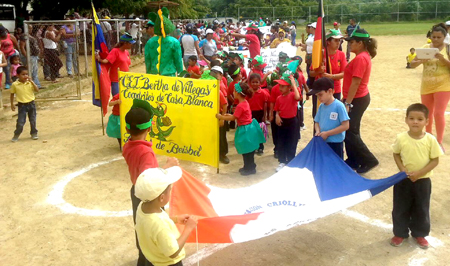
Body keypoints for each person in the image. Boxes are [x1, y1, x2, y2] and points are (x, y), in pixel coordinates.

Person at [122, 98, 180, 266]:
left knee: (142, 229)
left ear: (127, 128)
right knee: (153, 229)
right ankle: (150, 259)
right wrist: (168, 168)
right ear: (149, 127)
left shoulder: (129, 144)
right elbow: (150, 179)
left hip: (136, 191)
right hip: (149, 195)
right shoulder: (146, 152)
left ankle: (143, 257)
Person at [390, 103, 443, 249]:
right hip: (403, 180)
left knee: (421, 208)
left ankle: (419, 233)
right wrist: (402, 170)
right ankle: (400, 233)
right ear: (406, 119)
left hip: (423, 181)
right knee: (400, 207)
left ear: (426, 121)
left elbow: (435, 160)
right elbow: (396, 153)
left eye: (420, 119)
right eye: (412, 118)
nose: (415, 122)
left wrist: (419, 173)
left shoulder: (430, 140)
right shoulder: (401, 138)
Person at [135, 167, 198, 266]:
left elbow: (153, 227)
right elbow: (173, 252)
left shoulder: (142, 206)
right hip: (168, 264)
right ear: (162, 198)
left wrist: (176, 219)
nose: (171, 192)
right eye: (170, 190)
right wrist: (188, 228)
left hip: (152, 259)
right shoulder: (160, 225)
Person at [342, 28, 379, 174]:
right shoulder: (362, 56)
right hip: (354, 98)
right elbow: (349, 76)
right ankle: (353, 159)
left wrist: (347, 103)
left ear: (361, 43)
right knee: (351, 130)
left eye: (352, 42)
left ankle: (369, 160)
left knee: (350, 131)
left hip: (356, 99)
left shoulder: (360, 58)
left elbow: (356, 83)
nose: (349, 44)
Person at [410, 23, 450, 152]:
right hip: (427, 85)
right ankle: (427, 138)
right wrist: (421, 60)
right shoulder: (426, 48)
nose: (436, 39)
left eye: (439, 37)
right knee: (427, 113)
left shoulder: (448, 49)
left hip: (443, 85)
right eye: (434, 37)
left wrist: (444, 60)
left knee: (439, 113)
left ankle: (438, 142)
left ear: (444, 37)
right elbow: (412, 64)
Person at [216, 82, 265, 175]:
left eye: (234, 91)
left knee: (247, 151)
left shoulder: (240, 106)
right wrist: (227, 115)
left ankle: (250, 169)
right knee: (248, 150)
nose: (233, 93)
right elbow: (236, 115)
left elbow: (233, 118)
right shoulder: (244, 103)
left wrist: (221, 117)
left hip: (245, 130)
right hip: (249, 129)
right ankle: (249, 166)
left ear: (238, 93)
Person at [309, 77, 350, 158]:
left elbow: (346, 125)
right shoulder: (321, 106)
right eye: (317, 96)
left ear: (330, 91)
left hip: (336, 144)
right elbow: (316, 121)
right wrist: (317, 131)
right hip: (323, 142)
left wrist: (327, 133)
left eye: (320, 94)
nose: (319, 98)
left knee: (335, 167)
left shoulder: (339, 106)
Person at [201, 66, 229, 164]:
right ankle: (210, 154)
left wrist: (222, 118)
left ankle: (222, 154)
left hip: (219, 116)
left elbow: (225, 104)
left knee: (221, 136)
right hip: (208, 117)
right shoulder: (204, 90)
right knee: (210, 136)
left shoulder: (218, 89)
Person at [274, 72, 301, 172]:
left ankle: (291, 160)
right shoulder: (279, 98)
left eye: (283, 86)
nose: (280, 88)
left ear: (289, 87)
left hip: (292, 122)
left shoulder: (293, 95)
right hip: (282, 122)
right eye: (279, 86)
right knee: (281, 142)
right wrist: (277, 116)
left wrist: (293, 83)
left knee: (292, 141)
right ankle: (282, 161)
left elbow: (298, 97)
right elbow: (277, 109)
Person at [310, 29, 347, 100]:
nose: (338, 43)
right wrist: (318, 71)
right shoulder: (320, 55)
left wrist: (331, 76)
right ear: (328, 42)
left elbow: (344, 73)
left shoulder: (341, 54)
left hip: (335, 89)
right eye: (336, 40)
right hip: (320, 89)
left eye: (339, 40)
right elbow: (311, 73)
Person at [10, 66, 39, 142]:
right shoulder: (15, 84)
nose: (25, 76)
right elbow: (12, 94)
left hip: (31, 104)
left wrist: (32, 82)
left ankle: (34, 133)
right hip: (22, 105)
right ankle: (16, 134)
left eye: (26, 74)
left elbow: (37, 90)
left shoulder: (29, 83)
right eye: (23, 74)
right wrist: (12, 104)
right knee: (20, 122)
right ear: (18, 75)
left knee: (33, 120)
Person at [247, 73, 270, 155]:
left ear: (260, 83)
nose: (255, 84)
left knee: (260, 131)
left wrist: (265, 116)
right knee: (251, 131)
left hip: (259, 114)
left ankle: (260, 147)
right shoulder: (248, 92)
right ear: (250, 82)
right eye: (253, 82)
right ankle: (253, 147)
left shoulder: (263, 93)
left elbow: (265, 105)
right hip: (250, 114)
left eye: (257, 82)